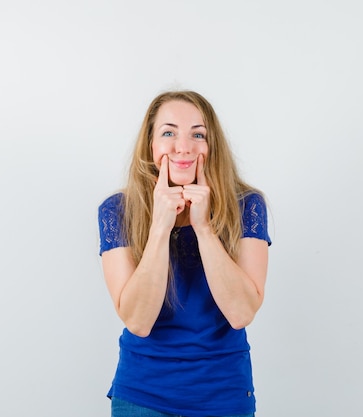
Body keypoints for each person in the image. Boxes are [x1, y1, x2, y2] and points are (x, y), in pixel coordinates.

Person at [97, 90, 271, 417]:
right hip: (143, 396)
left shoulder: (247, 206)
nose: (184, 146)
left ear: (211, 146)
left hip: (224, 396)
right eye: (168, 132)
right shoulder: (118, 211)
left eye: (198, 135)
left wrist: (203, 228)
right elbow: (138, 321)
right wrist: (160, 228)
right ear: (150, 146)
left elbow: (241, 313)